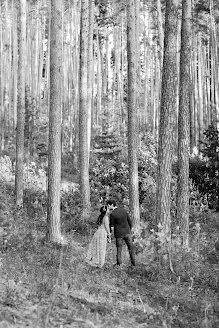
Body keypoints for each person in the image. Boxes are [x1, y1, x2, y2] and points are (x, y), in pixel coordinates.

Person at [107, 199, 135, 267]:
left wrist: (109, 234)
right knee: (131, 248)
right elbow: (130, 221)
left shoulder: (112, 214)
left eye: (108, 205)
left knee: (119, 250)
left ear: (111, 205)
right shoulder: (124, 210)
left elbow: (112, 227)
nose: (107, 207)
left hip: (119, 234)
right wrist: (129, 230)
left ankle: (119, 264)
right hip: (127, 232)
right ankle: (133, 264)